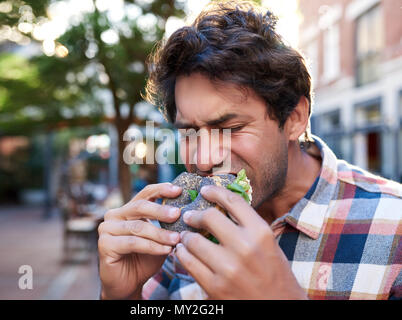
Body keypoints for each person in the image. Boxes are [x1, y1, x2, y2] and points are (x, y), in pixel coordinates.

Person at [97, 1, 402, 300]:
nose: (204, 159)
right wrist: (121, 295)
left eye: (230, 128)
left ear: (294, 118)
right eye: (189, 132)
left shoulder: (395, 231)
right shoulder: (178, 228)